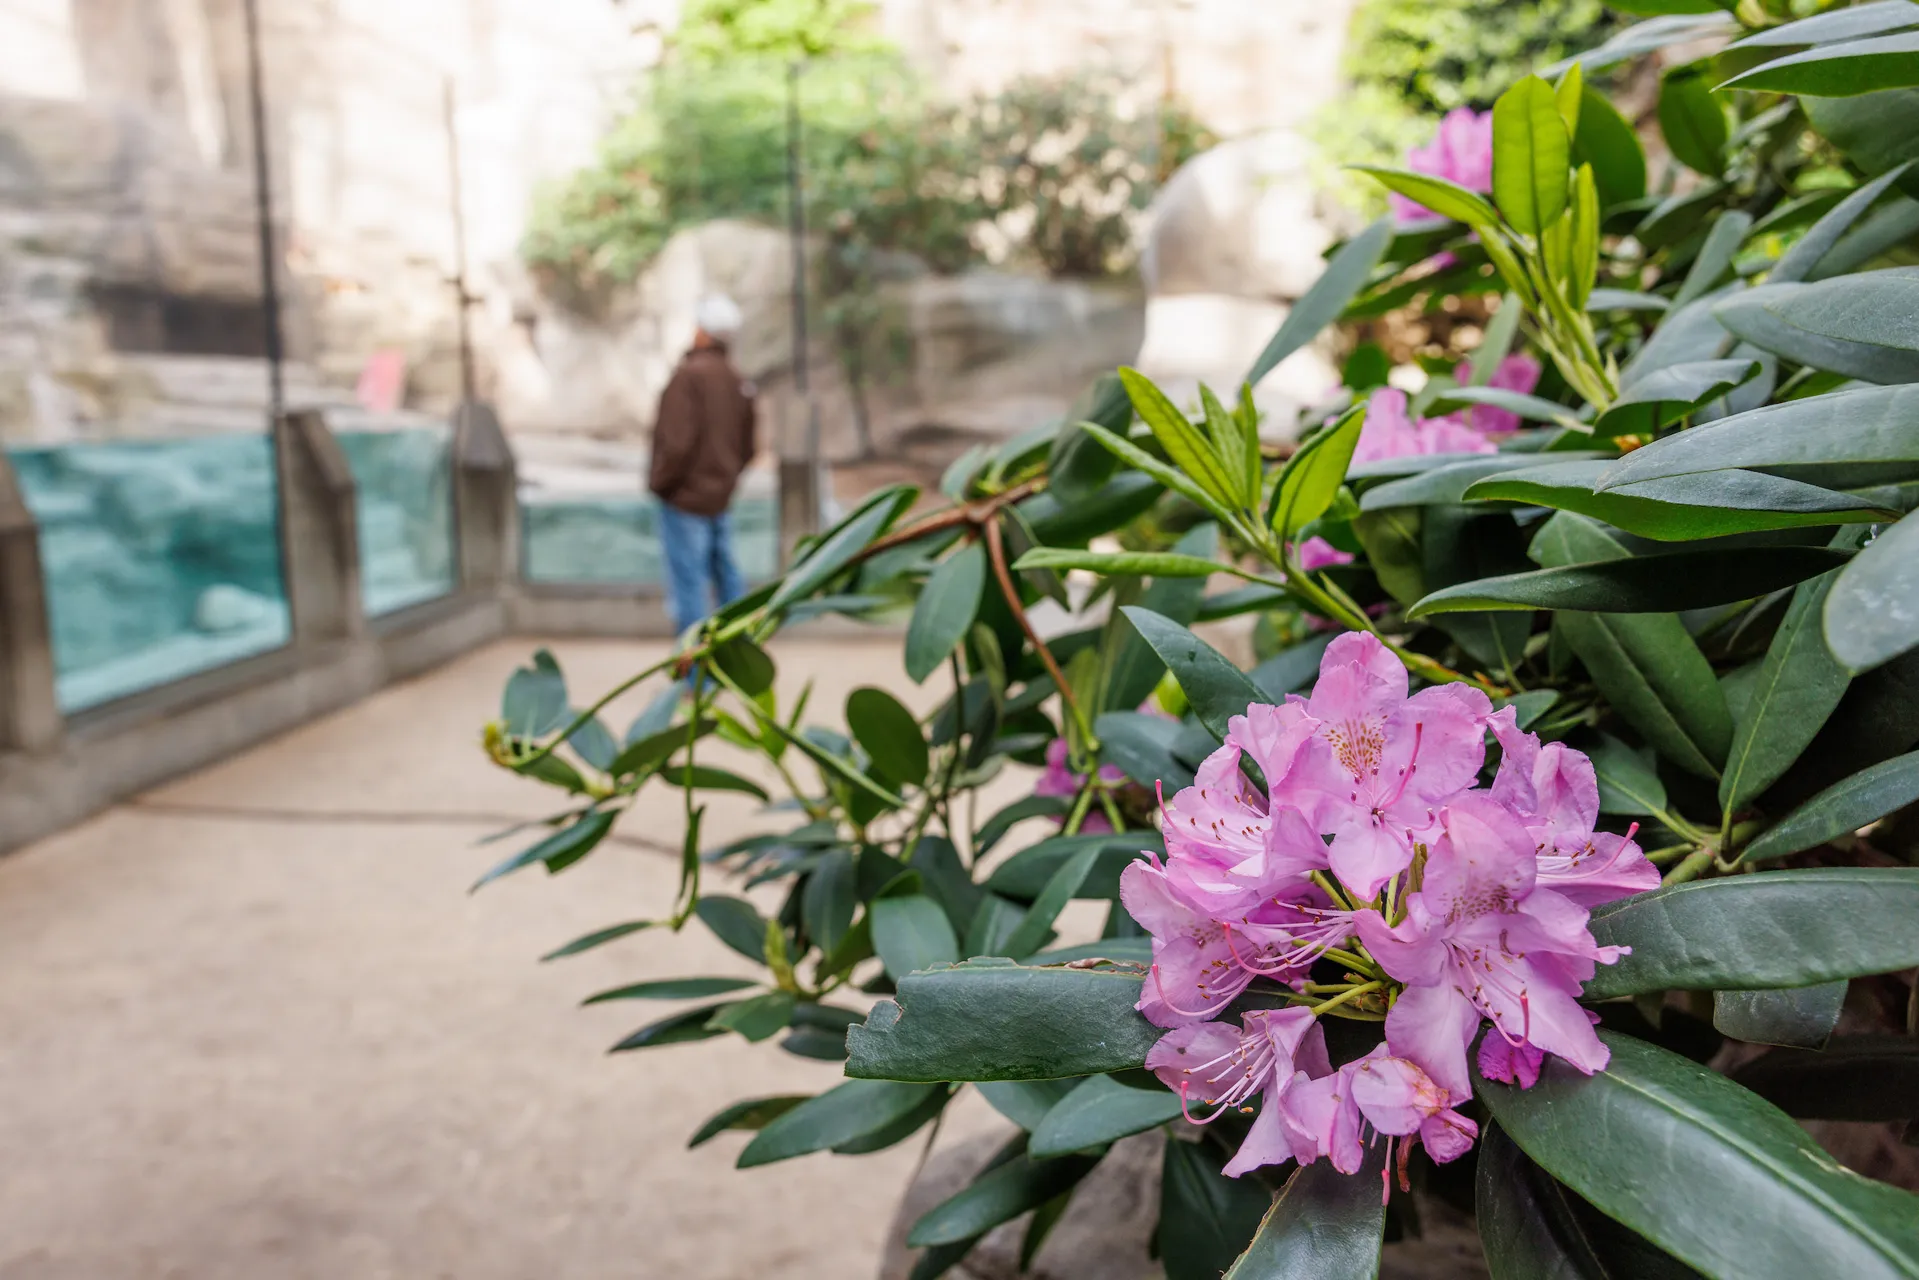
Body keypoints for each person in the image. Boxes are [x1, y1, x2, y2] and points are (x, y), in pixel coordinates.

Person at [648, 294, 757, 639]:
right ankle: (738, 655)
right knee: (727, 579)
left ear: (703, 333)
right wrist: (726, 481)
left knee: (689, 587)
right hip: (719, 498)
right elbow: (748, 446)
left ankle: (695, 674)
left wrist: (661, 484)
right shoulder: (737, 379)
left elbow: (676, 442)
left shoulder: (689, 377)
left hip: (685, 500)